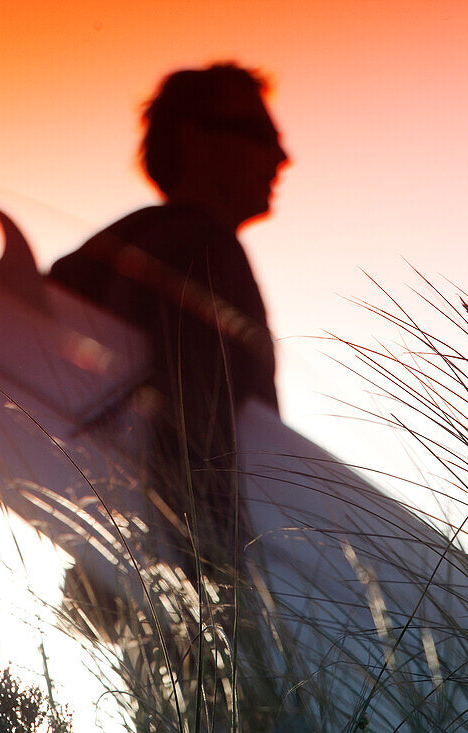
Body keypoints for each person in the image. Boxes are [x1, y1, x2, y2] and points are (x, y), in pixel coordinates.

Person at [49, 62, 289, 583]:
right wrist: (225, 580)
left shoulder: (110, 253)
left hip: (126, 558)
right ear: (195, 139)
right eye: (260, 134)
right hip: (206, 574)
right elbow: (198, 427)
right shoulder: (205, 249)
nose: (281, 156)